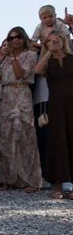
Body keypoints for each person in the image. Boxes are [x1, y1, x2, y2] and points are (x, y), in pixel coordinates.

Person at [0, 27, 41, 192]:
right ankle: (7, 178)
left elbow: (20, 74)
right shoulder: (5, 58)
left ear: (24, 38)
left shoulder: (30, 55)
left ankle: (28, 180)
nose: (14, 40)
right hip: (5, 96)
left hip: (21, 94)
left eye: (18, 37)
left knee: (24, 137)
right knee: (4, 137)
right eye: (11, 38)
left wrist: (13, 57)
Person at [34, 31, 73, 199]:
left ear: (63, 40)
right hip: (56, 105)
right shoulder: (47, 61)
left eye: (57, 40)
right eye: (50, 40)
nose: (54, 42)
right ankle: (57, 185)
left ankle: (71, 188)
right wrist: (49, 50)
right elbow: (37, 70)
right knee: (57, 141)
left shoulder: (71, 59)